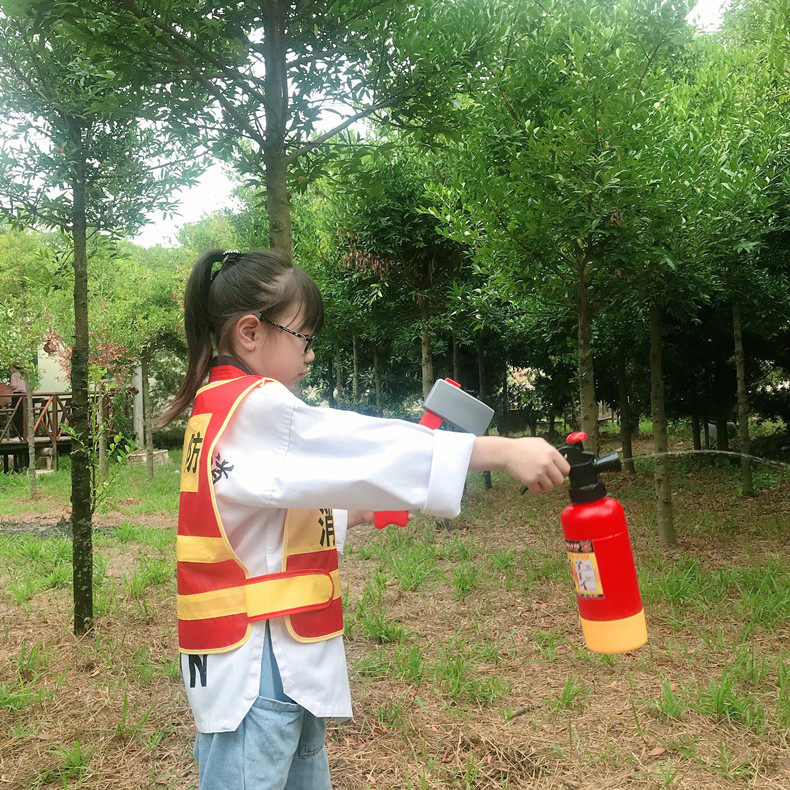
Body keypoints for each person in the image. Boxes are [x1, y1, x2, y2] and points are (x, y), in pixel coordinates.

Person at [158, 248, 571, 790]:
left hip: (275, 658)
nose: (310, 355)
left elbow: (266, 516)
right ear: (251, 332)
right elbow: (359, 444)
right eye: (303, 337)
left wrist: (354, 512)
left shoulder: (220, 405)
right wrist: (500, 451)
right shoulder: (255, 406)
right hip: (258, 666)